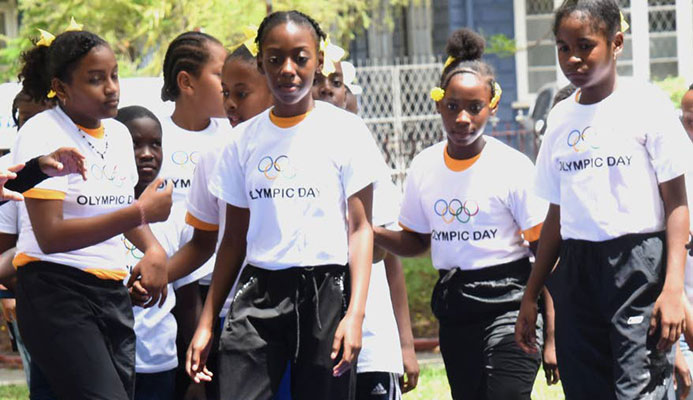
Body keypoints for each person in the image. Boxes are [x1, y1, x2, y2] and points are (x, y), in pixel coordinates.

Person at [186, 10, 381, 399]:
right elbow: (232, 240)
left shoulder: (346, 131)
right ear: (261, 63)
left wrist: (355, 314)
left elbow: (360, 230)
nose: (287, 69)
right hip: (260, 291)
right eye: (275, 59)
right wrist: (208, 321)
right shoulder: (242, 142)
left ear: (319, 62)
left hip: (327, 289)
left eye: (300, 57)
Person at [515, 1, 692, 398]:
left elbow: (677, 206)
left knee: (638, 389)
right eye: (563, 47)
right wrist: (531, 295)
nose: (572, 58)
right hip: (578, 270)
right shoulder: (560, 119)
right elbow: (556, 217)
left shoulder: (647, 107)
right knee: (586, 389)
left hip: (638, 267)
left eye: (585, 45)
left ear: (616, 43)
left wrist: (672, 289)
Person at [373, 28, 550, 400]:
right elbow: (417, 241)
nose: (463, 118)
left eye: (475, 107)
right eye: (453, 106)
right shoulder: (424, 167)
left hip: (511, 302)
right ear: (439, 104)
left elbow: (545, 252)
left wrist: (554, 334)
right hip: (456, 306)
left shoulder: (513, 167)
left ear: (493, 104)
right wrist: (366, 232)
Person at [11, 28, 173, 399]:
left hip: (110, 292)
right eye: (96, 79)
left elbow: (121, 209)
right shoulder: (43, 131)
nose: (112, 88)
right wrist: (139, 212)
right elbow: (50, 237)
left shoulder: (117, 135)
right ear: (61, 87)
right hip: (55, 291)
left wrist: (154, 249)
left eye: (114, 75)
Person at [312, 54, 420, 398]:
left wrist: (405, 345)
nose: (326, 89)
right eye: (318, 80)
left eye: (336, 82)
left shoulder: (364, 154)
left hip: (371, 343)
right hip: (312, 342)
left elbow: (390, 260)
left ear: (349, 95)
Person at [116, 105, 208, 400]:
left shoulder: (177, 218)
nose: (147, 153)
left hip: (160, 361)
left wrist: (197, 376)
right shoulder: (100, 213)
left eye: (155, 144)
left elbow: (189, 300)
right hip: (109, 357)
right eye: (135, 144)